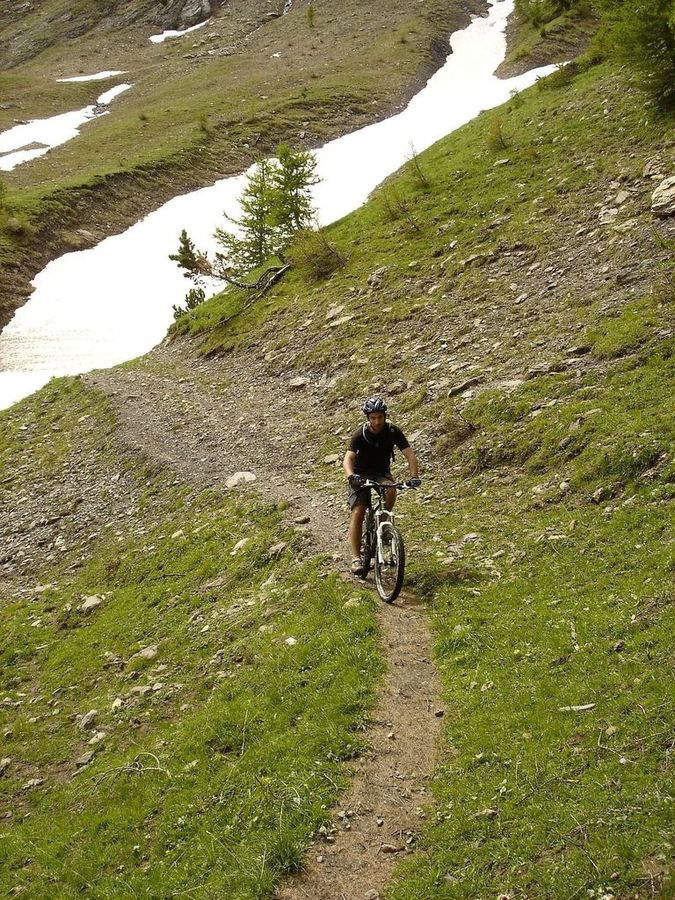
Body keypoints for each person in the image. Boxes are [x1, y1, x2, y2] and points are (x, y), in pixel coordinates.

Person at [343, 397, 421, 576]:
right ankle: (356, 558)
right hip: (360, 474)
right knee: (359, 511)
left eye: (380, 417)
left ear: (385, 416)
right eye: (373, 418)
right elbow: (348, 458)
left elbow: (409, 455)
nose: (377, 421)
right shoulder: (360, 434)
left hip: (381, 472)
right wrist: (351, 476)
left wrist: (414, 477)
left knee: (391, 489)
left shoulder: (393, 431)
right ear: (368, 418)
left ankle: (384, 525)